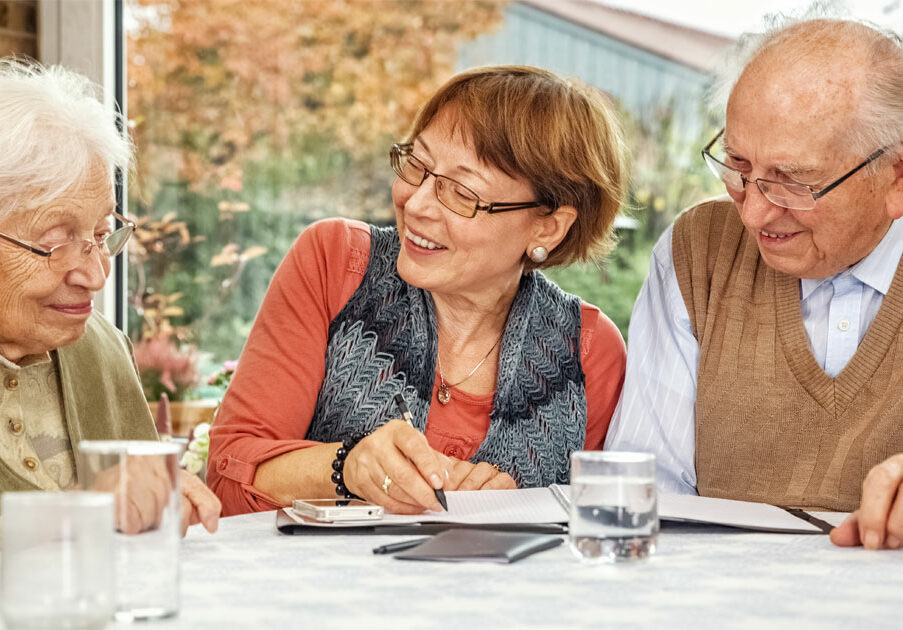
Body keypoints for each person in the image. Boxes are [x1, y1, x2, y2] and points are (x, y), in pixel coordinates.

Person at [208, 66, 628, 516]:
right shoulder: (336, 262)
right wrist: (348, 469)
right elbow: (226, 483)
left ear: (548, 225)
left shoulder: (588, 353)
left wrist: (520, 505)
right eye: (417, 165)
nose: (417, 203)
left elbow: (593, 534)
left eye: (462, 192)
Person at [606, 18, 903, 550]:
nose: (755, 212)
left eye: (793, 181)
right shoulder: (697, 253)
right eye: (738, 165)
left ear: (897, 179)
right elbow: (643, 495)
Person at [0, 58, 220, 536]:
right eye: (57, 242)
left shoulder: (97, 345)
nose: (96, 276)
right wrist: (82, 513)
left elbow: (136, 532)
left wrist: (161, 501)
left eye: (102, 234)